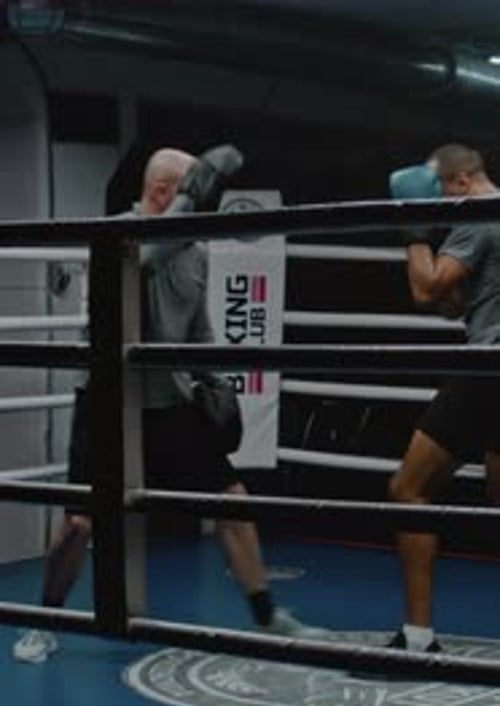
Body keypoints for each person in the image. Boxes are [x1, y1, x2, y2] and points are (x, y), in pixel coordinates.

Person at [14, 144, 328, 663]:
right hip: (107, 402)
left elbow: (196, 327)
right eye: (196, 194)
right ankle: (44, 620)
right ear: (164, 192)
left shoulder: (195, 250)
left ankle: (268, 614)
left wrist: (215, 381)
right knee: (78, 524)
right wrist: (187, 206)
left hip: (167, 401)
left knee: (232, 499)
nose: (204, 208)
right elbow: (146, 263)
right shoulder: (114, 234)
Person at [387, 142, 500, 652]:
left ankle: (416, 638)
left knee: (408, 489)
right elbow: (455, 306)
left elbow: (427, 290)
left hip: (490, 369)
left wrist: (413, 228)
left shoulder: (478, 215)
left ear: (458, 182)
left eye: (439, 194)